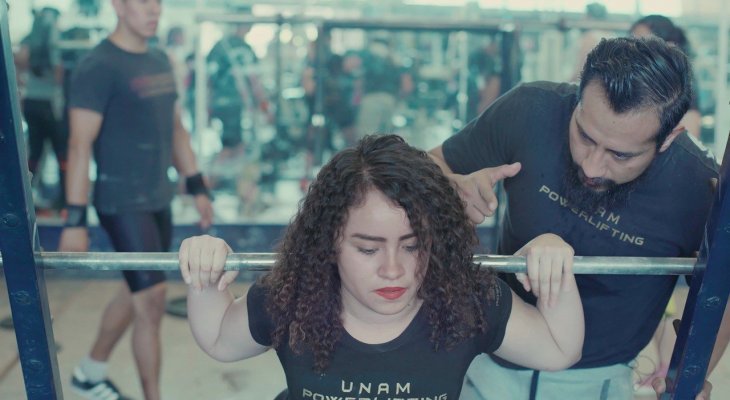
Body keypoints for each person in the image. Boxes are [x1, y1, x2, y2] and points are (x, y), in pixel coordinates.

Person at [178, 134, 584, 399]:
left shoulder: (465, 298)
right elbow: (218, 338)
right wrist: (205, 270)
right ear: (329, 243)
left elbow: (558, 348)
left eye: (413, 246)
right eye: (368, 250)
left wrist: (552, 261)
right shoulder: (293, 296)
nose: (394, 270)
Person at [429, 37, 724, 399]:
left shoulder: (697, 186)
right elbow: (430, 165)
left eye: (621, 155)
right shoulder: (528, 111)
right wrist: (450, 187)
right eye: (584, 136)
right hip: (489, 358)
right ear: (578, 97)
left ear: (668, 138)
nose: (592, 165)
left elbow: (723, 291)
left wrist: (693, 371)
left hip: (599, 380)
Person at [58, 0, 214, 399]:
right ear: (118, 6)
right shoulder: (99, 65)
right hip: (121, 200)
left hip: (157, 197)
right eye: (142, 2)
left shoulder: (160, 59)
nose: (154, 10)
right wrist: (74, 221)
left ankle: (89, 374)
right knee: (152, 301)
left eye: (157, 2)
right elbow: (79, 145)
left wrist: (197, 187)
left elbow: (177, 129)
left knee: (137, 290)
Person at [15, 6, 66, 213]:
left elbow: (19, 63)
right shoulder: (56, 40)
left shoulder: (31, 40)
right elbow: (59, 72)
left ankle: (27, 198)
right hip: (50, 104)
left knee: (35, 152)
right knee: (59, 151)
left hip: (33, 102)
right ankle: (61, 199)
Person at [631, 14, 702, 140]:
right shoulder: (631, 81)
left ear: (669, 46)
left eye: (643, 45)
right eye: (632, 42)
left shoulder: (683, 85)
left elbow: (690, 136)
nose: (635, 51)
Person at [206, 21, 268, 159]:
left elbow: (208, 80)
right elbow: (254, 80)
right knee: (233, 146)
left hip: (220, 103)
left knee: (233, 143)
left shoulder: (218, 46)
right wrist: (263, 103)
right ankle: (220, 177)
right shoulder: (245, 49)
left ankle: (228, 176)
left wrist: (208, 105)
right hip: (235, 103)